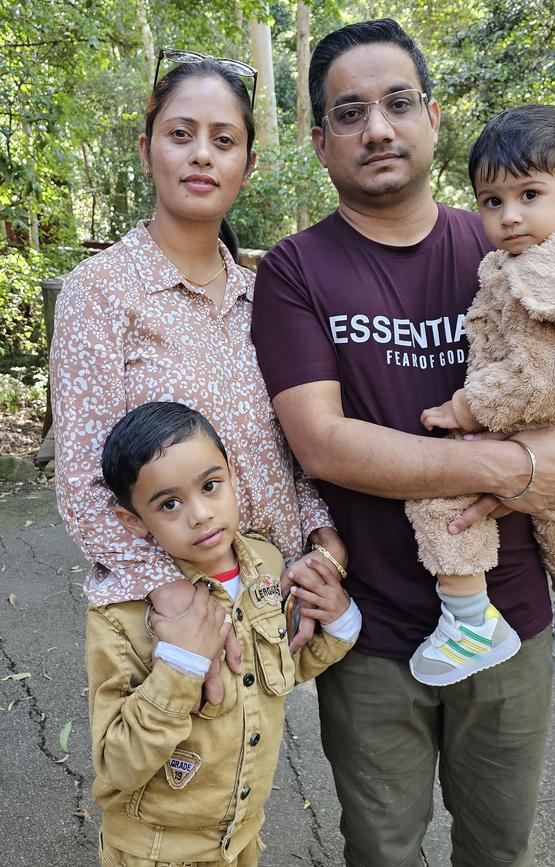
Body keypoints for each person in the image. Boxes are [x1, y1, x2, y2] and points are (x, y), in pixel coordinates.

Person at [251, 19, 555, 867]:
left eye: (396, 104)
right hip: (376, 632)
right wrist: (513, 467)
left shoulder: (510, 238)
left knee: (499, 846)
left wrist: (547, 472)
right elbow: (322, 442)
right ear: (319, 141)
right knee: (383, 848)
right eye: (349, 113)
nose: (377, 128)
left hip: (516, 610)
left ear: (431, 116)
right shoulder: (296, 270)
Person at [50, 54, 347, 706]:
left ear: (248, 164)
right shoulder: (100, 293)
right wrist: (176, 596)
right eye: (181, 134)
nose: (201, 156)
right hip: (167, 621)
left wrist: (324, 550)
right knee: (167, 803)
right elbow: (81, 485)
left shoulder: (267, 297)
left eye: (223, 140)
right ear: (147, 146)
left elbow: (292, 453)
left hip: (269, 604)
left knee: (242, 802)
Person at [406, 104, 555, 686]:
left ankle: (468, 622)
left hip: (533, 410)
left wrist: (465, 409)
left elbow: (539, 374)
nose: (509, 217)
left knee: (440, 497)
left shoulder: (549, 275)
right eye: (492, 201)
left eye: (529, 195)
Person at [90, 400, 360, 865]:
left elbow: (278, 671)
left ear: (233, 473)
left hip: (240, 834)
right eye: (169, 503)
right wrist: (179, 666)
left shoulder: (269, 565)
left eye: (210, 486)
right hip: (155, 849)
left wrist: (338, 621)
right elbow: (117, 766)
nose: (199, 514)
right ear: (133, 521)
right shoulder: (121, 616)